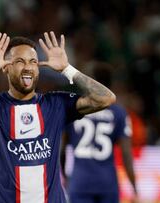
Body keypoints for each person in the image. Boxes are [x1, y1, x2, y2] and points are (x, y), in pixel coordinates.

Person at [0, 31, 116, 203]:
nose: (28, 67)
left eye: (33, 62)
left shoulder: (56, 104)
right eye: (20, 62)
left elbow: (106, 98)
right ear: (6, 67)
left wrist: (67, 69)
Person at [61, 63, 138, 203]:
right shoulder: (119, 113)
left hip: (80, 182)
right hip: (107, 183)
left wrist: (65, 177)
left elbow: (61, 150)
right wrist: (134, 187)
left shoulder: (73, 109)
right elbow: (127, 154)